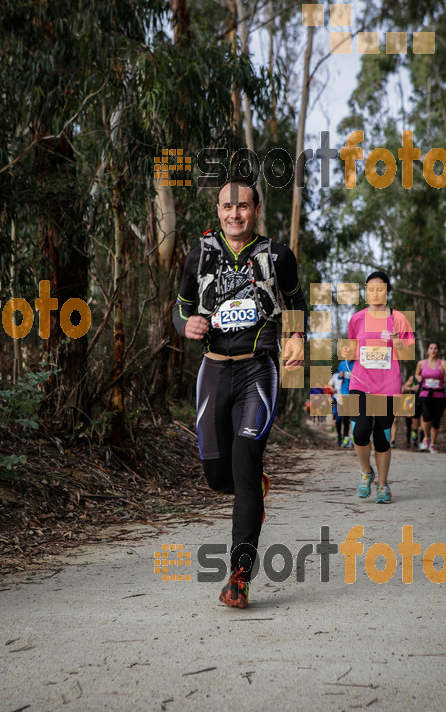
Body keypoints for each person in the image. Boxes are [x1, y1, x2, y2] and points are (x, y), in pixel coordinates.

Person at [173, 179, 307, 608]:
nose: (235, 214)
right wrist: (185, 325)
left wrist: (298, 336)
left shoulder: (277, 256)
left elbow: (296, 299)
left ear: (256, 210)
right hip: (213, 373)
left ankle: (239, 576)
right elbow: (180, 308)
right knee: (217, 477)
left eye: (243, 207)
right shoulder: (199, 255)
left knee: (246, 460)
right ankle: (254, 489)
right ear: (218, 211)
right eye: (228, 207)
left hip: (258, 372)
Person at [348, 271, 414, 503]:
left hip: (388, 384)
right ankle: (367, 471)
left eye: (380, 289)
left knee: (383, 435)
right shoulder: (357, 319)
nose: (375, 294)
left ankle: (383, 486)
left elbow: (407, 355)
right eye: (371, 289)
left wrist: (397, 343)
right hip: (361, 382)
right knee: (360, 431)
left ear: (388, 291)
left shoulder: (399, 319)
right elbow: (353, 349)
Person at [415, 342, 446, 453]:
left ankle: (433, 444)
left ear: (438, 351)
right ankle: (426, 438)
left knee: (436, 421)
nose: (433, 350)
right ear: (427, 351)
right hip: (425, 394)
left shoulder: (443, 363)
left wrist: (445, 373)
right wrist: (419, 378)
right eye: (431, 348)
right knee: (426, 416)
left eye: (435, 348)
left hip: (439, 395)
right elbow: (417, 374)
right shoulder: (421, 363)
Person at [337, 346, 355, 447]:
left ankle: (353, 437)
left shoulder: (357, 364)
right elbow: (339, 377)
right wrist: (340, 376)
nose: (349, 356)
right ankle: (345, 437)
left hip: (355, 394)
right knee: (345, 417)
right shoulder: (342, 364)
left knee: (354, 417)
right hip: (344, 393)